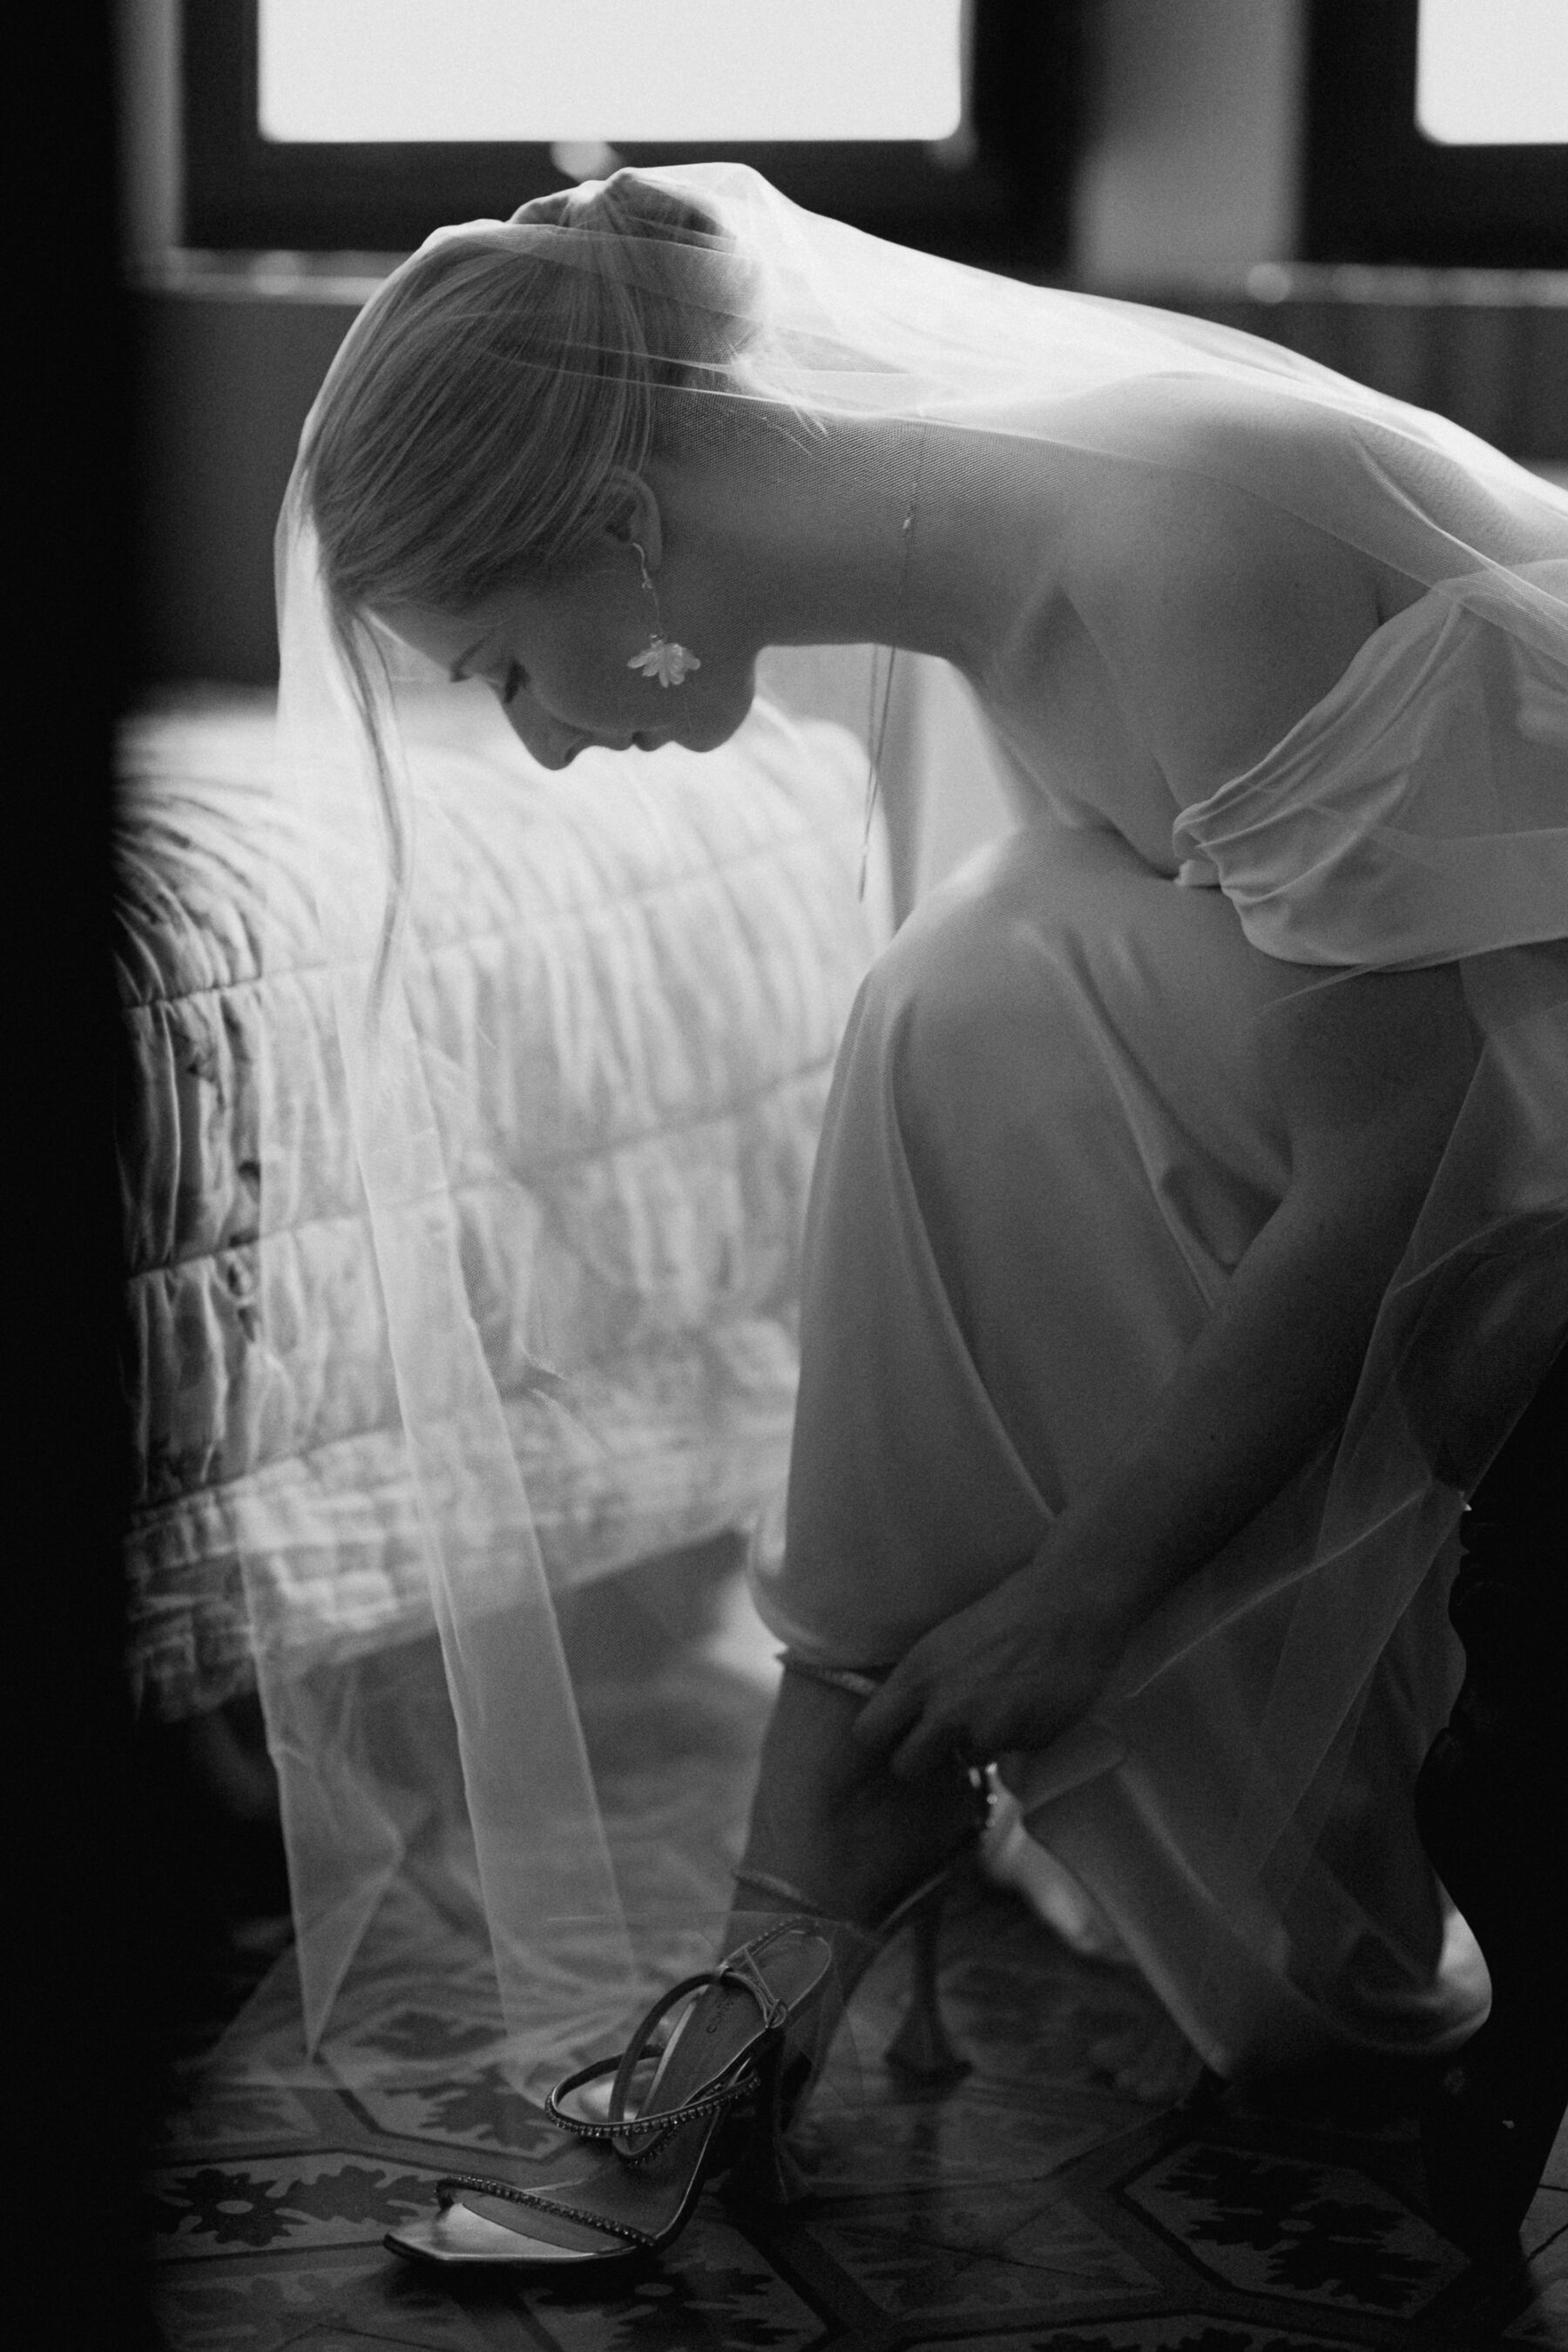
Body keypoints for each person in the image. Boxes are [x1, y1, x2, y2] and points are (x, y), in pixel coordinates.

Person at [268, 165, 1568, 2271]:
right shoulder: (993, 588)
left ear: (614, 525)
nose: (539, 738)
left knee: (974, 994)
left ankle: (785, 1952)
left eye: (504, 665)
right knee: (980, 986)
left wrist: (1084, 1597)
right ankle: (806, 1908)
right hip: (1468, 1091)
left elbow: (1399, 1166)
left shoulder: (1177, 546)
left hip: (1518, 1121)